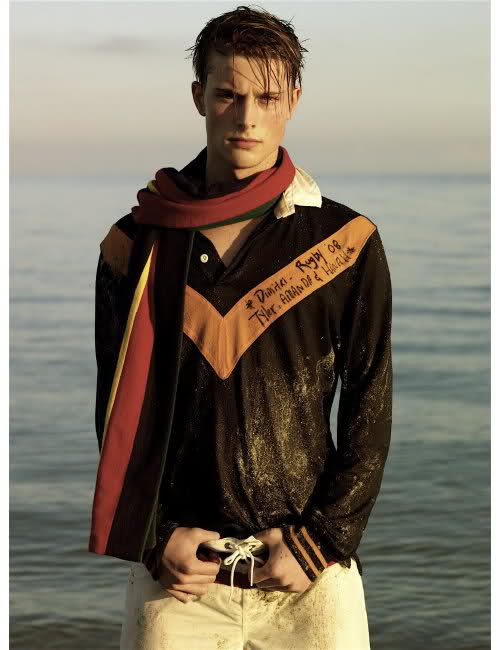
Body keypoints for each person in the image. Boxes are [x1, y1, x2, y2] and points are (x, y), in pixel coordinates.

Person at [89, 5, 393, 649]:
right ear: (199, 96)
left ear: (294, 101)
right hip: (180, 577)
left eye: (267, 97)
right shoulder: (134, 244)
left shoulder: (345, 242)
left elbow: (371, 401)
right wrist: (156, 536)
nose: (247, 116)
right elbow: (116, 411)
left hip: (309, 572)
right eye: (228, 94)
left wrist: (324, 539)